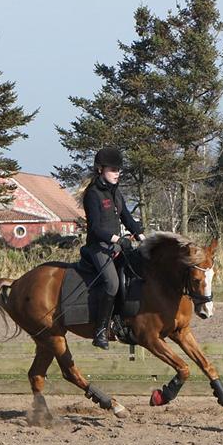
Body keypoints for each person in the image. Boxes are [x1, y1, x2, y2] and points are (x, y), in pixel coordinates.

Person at [81, 147, 145, 349]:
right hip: (98, 247)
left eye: (118, 170)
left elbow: (126, 216)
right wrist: (117, 238)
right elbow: (96, 228)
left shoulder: (116, 193)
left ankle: (125, 322)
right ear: (100, 169)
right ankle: (100, 330)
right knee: (112, 283)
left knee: (135, 275)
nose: (117, 173)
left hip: (116, 246)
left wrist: (142, 236)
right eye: (113, 169)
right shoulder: (92, 194)